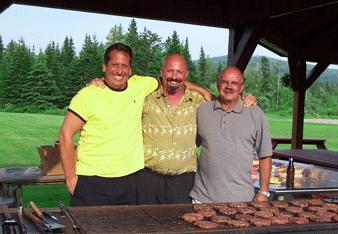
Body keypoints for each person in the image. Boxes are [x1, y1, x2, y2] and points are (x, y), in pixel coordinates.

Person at [88, 55, 257, 205]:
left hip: (184, 182)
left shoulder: (200, 102)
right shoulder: (145, 97)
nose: (174, 76)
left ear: (186, 75)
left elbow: (228, 102)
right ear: (161, 72)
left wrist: (246, 99)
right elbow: (118, 90)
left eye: (179, 72)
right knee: (146, 228)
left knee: (181, 228)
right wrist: (100, 83)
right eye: (170, 71)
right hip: (148, 180)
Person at [59, 43, 160, 206]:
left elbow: (171, 80)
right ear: (104, 66)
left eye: (124, 66)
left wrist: (204, 91)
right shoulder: (88, 95)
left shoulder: (139, 85)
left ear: (130, 69)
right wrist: (70, 178)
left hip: (129, 181)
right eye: (115, 65)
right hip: (92, 181)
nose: (119, 71)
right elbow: (65, 134)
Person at [190, 66, 272, 203]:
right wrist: (202, 90)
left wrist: (263, 191)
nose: (229, 86)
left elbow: (265, 155)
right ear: (217, 85)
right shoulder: (203, 110)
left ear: (241, 87)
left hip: (242, 200)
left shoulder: (255, 113)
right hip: (202, 199)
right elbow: (178, 82)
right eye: (224, 82)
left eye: (234, 83)